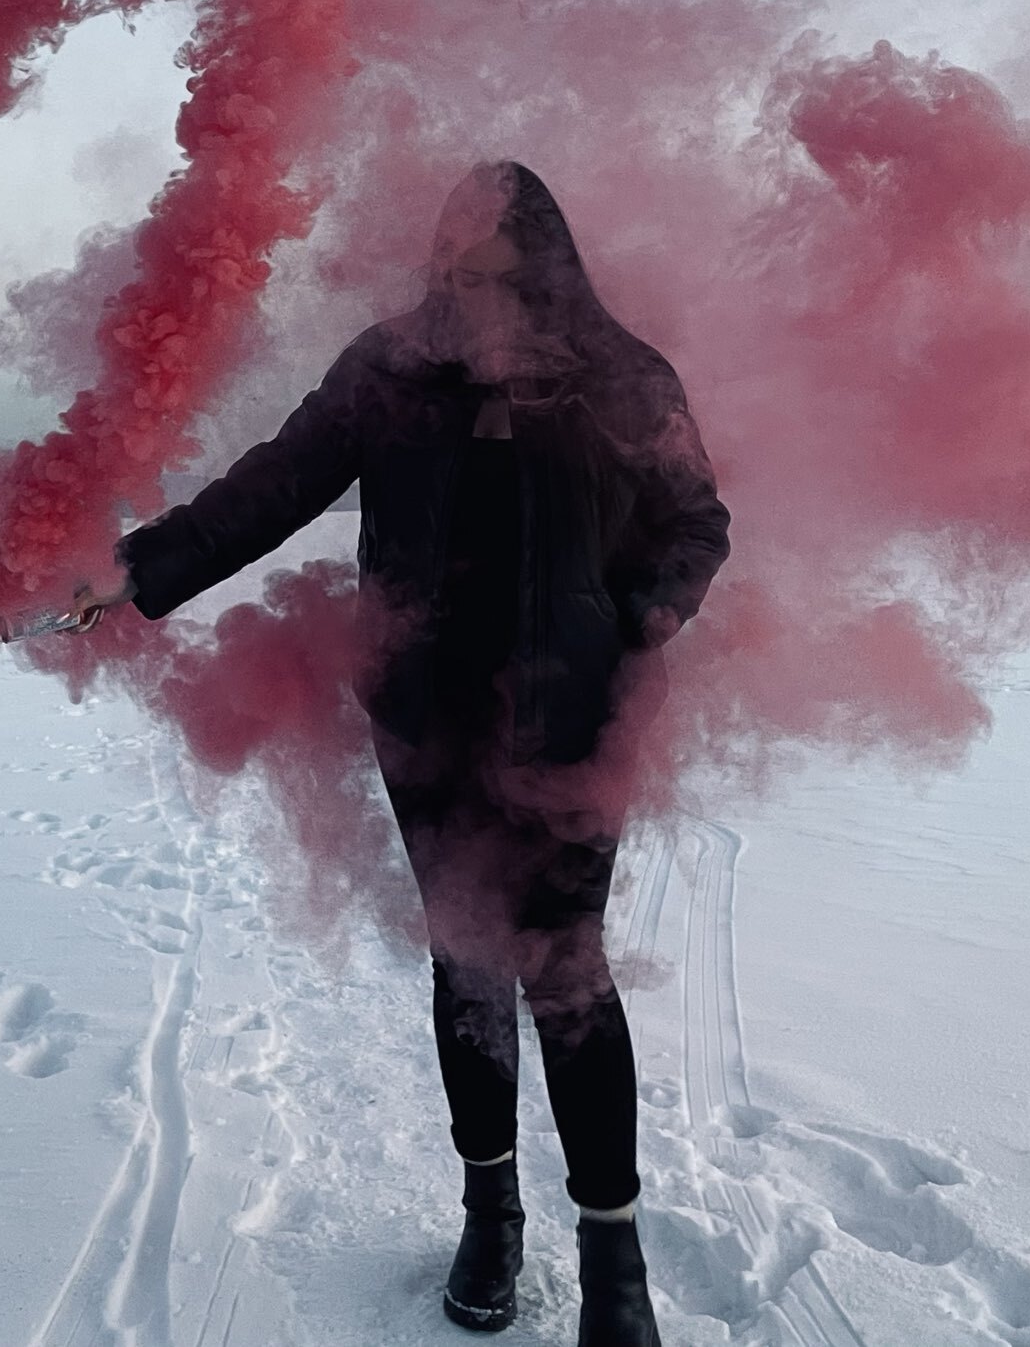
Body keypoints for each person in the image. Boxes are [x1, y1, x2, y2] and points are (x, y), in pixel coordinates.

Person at [63, 161, 731, 1346]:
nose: (480, 297)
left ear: (552, 268)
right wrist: (137, 570)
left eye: (505, 275)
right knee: (468, 956)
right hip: (428, 717)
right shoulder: (387, 370)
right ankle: (492, 1212)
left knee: (566, 970)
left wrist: (652, 611)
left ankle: (613, 1255)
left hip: (579, 711)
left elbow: (697, 520)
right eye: (460, 273)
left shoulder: (623, 376)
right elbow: (269, 486)